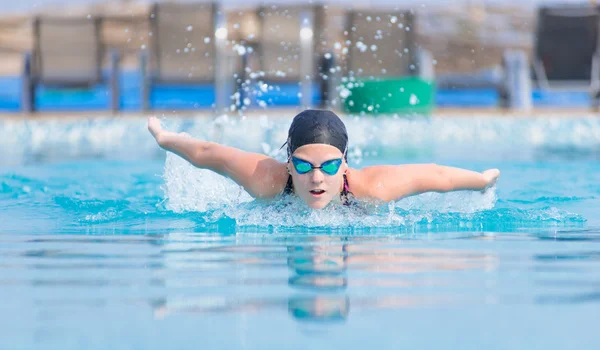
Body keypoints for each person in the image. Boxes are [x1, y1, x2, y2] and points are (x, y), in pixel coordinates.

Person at [148, 109, 500, 209]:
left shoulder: (371, 188)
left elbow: (435, 177)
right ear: (288, 163)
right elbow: (208, 154)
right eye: (303, 165)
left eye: (329, 166)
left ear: (345, 164)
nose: (317, 178)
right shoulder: (265, 178)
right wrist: (166, 139)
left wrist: (481, 180)